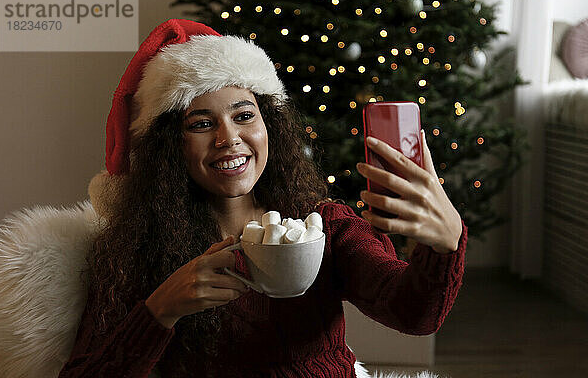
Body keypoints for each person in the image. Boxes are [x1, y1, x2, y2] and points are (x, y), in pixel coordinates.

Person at [56, 19, 468, 378]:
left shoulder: (327, 226)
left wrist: (445, 243)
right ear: (170, 147)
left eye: (244, 115)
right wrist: (161, 308)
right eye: (201, 124)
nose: (228, 138)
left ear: (268, 124)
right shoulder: (137, 248)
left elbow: (415, 313)